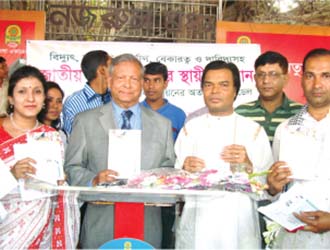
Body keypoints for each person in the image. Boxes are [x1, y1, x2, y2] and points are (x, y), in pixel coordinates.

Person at [64, 53, 175, 249]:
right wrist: (94, 180)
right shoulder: (85, 121)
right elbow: (72, 167)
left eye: (134, 79)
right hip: (101, 220)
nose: (127, 84)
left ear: (142, 83)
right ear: (109, 80)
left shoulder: (162, 124)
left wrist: (151, 179)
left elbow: (169, 168)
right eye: (121, 78)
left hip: (147, 221)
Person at [174, 60, 273, 249]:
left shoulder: (253, 131)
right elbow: (175, 182)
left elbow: (267, 187)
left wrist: (249, 165)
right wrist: (184, 170)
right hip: (198, 222)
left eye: (223, 85)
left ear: (236, 90)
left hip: (238, 224)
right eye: (208, 85)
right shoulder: (190, 129)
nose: (215, 91)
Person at [0, 65, 79, 249]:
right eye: (22, 92)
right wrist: (10, 175)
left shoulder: (52, 136)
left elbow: (55, 195)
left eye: (37, 92)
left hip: (38, 231)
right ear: (11, 98)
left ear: (44, 99)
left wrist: (62, 185)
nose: (30, 98)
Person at [267, 48, 330, 248]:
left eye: (326, 76)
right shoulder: (285, 130)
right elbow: (275, 188)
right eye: (310, 76)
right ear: (301, 79)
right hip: (295, 237)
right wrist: (273, 186)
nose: (317, 84)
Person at [141, 62, 186, 248]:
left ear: (166, 83)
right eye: (147, 81)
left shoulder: (178, 115)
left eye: (157, 81)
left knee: (165, 238)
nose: (151, 86)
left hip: (167, 189)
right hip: (139, 186)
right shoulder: (134, 112)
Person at [236, 51, 302, 145]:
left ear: (285, 79)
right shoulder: (241, 112)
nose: (266, 81)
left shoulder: (300, 113)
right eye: (261, 75)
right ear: (255, 78)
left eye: (273, 74)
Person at [62, 50, 112, 135]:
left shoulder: (118, 98)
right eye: (112, 65)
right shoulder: (73, 103)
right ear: (102, 70)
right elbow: (72, 141)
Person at [37, 81, 67, 145]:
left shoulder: (61, 135)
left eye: (59, 101)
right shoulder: (29, 132)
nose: (55, 106)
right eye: (49, 100)